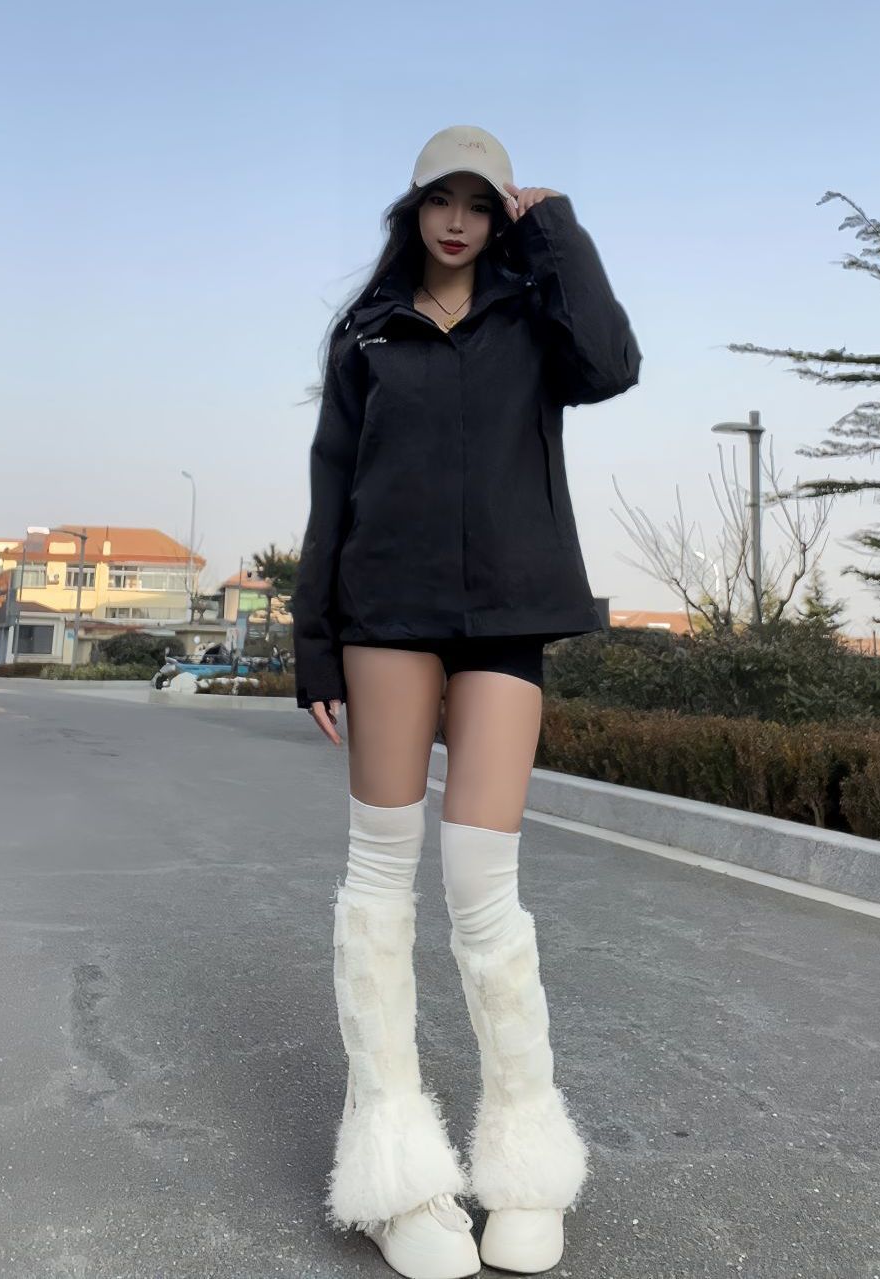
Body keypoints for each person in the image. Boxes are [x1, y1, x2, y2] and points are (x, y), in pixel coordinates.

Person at [291, 124, 641, 1278]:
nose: (457, 221)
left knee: (485, 887)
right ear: (414, 210)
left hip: (507, 614)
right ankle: (398, 1171)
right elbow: (332, 485)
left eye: (480, 204)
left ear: (500, 216)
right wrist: (314, 644)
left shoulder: (535, 317)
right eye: (440, 200)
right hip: (384, 613)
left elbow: (613, 363)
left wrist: (559, 228)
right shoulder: (367, 330)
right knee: (379, 881)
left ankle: (524, 1161)